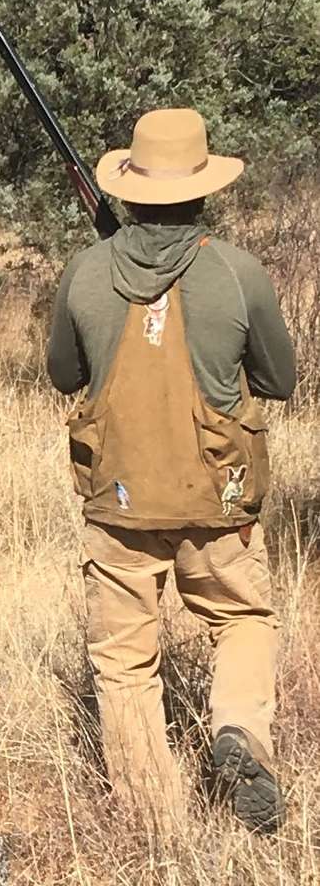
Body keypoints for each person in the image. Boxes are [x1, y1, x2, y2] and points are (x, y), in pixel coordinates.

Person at [47, 108, 295, 834]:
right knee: (243, 617)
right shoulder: (234, 268)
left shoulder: (86, 269)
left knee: (123, 660)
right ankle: (238, 734)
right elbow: (277, 380)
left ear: (126, 191)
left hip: (116, 497)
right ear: (204, 189)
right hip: (217, 494)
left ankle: (154, 820)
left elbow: (63, 372)